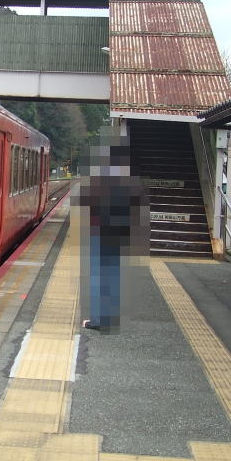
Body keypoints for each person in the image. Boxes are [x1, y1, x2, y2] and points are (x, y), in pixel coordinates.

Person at [77, 126, 148, 332]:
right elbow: (138, 205)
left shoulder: (98, 178)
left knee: (98, 277)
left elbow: (85, 201)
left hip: (100, 231)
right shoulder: (131, 180)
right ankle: (110, 318)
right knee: (114, 276)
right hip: (119, 232)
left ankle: (98, 320)